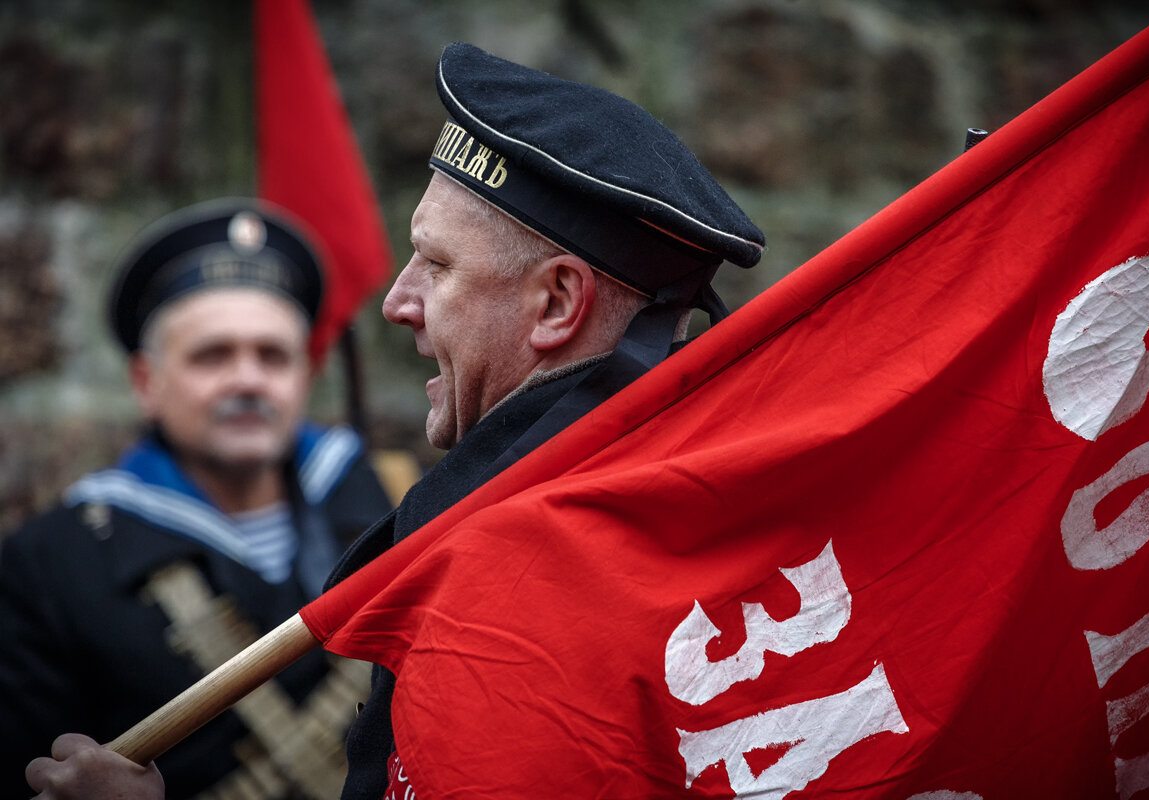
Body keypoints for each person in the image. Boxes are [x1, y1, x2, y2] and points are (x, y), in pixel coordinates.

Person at [21, 42, 764, 799]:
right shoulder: (641, 511)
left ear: (557, 304)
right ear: (146, 381)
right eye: (213, 356)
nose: (396, 302)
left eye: (436, 265)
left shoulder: (528, 569)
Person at [2, 199, 394, 799]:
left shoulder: (402, 506)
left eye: (273, 355)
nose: (247, 380)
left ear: (304, 378)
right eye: (213, 355)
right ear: (145, 383)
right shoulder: (49, 562)